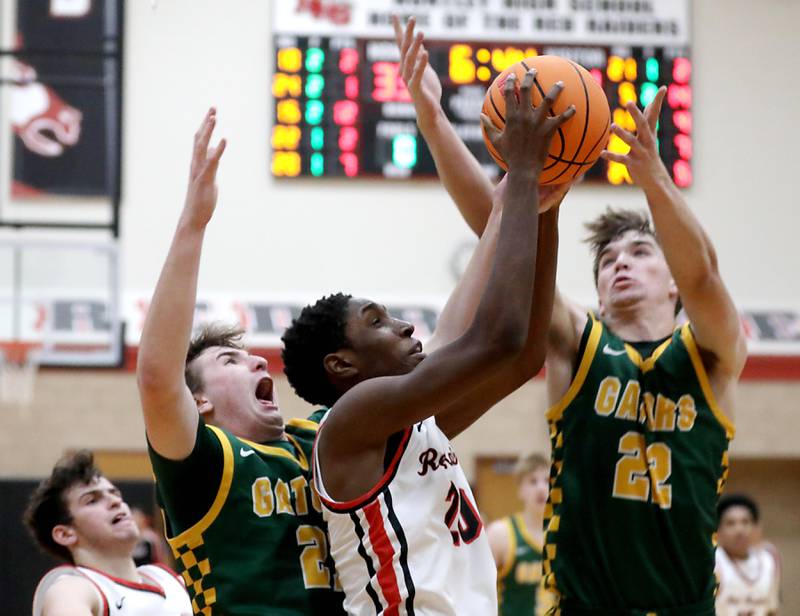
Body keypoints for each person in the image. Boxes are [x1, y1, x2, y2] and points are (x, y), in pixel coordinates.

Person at [393, 15, 748, 614]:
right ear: (600, 293)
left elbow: (706, 275)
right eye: (608, 261)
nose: (621, 265)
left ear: (674, 286)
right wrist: (432, 122)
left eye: (641, 253)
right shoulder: (580, 342)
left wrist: (653, 178)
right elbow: (499, 232)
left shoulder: (712, 352)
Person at [281, 70, 575, 614]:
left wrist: (548, 203)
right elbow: (500, 339)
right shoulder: (351, 421)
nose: (405, 328)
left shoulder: (411, 421)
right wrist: (527, 171)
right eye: (378, 323)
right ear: (342, 365)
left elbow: (525, 355)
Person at [135, 109, 345, 615]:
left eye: (252, 356)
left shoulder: (318, 438)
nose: (257, 364)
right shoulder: (203, 463)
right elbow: (158, 378)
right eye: (231, 359)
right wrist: (193, 223)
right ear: (199, 399)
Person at [25, 450, 191, 616]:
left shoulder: (168, 581)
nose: (115, 501)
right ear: (65, 534)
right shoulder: (72, 589)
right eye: (92, 500)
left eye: (114, 493)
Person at [487, 453, 554, 616]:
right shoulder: (500, 533)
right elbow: (476, 588)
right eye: (532, 481)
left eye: (547, 480)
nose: (541, 488)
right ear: (520, 490)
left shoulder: (563, 535)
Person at [715, 494, 781, 616]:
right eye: (730, 523)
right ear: (718, 531)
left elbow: (772, 609)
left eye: (745, 522)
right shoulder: (714, 562)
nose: (739, 530)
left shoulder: (769, 559)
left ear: (756, 527)